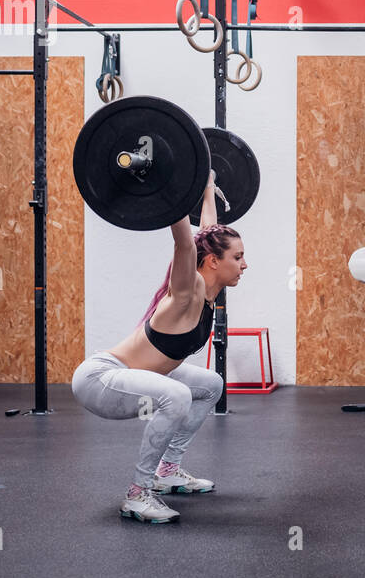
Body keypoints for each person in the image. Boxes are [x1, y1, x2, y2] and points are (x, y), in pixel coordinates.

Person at [71, 173, 247, 523]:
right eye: (238, 257)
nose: (244, 264)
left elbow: (204, 234)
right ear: (214, 262)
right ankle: (137, 495)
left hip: (138, 378)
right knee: (178, 395)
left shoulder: (210, 291)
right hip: (101, 380)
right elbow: (186, 243)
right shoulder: (186, 292)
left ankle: (167, 471)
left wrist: (206, 187)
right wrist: (171, 185)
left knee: (211, 384)